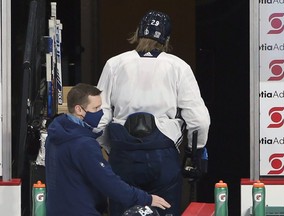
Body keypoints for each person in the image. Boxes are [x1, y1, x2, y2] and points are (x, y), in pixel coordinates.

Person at [97, 10, 210, 216]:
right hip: (162, 152)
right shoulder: (178, 66)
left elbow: (100, 115)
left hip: (123, 151)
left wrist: (109, 147)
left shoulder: (114, 64)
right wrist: (196, 151)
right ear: (166, 39)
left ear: (138, 33)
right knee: (164, 210)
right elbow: (199, 120)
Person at [45, 83, 171, 216]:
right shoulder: (83, 144)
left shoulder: (54, 136)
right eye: (96, 108)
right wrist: (146, 198)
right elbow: (108, 182)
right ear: (79, 109)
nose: (101, 112)